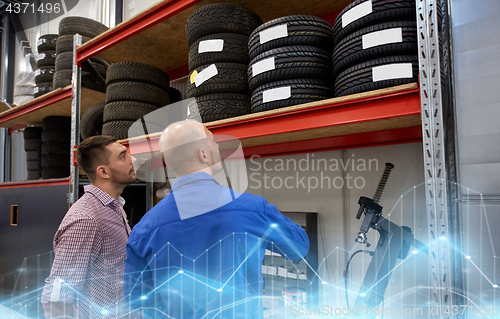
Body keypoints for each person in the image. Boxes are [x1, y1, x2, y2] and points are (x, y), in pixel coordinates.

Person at [124, 120, 309, 319]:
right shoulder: (252, 208)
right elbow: (299, 246)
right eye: (213, 142)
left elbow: (135, 298)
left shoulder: (143, 229)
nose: (218, 147)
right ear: (203, 154)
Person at [41, 135, 137, 318]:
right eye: (123, 156)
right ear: (104, 172)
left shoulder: (112, 208)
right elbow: (57, 298)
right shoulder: (86, 219)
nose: (132, 160)